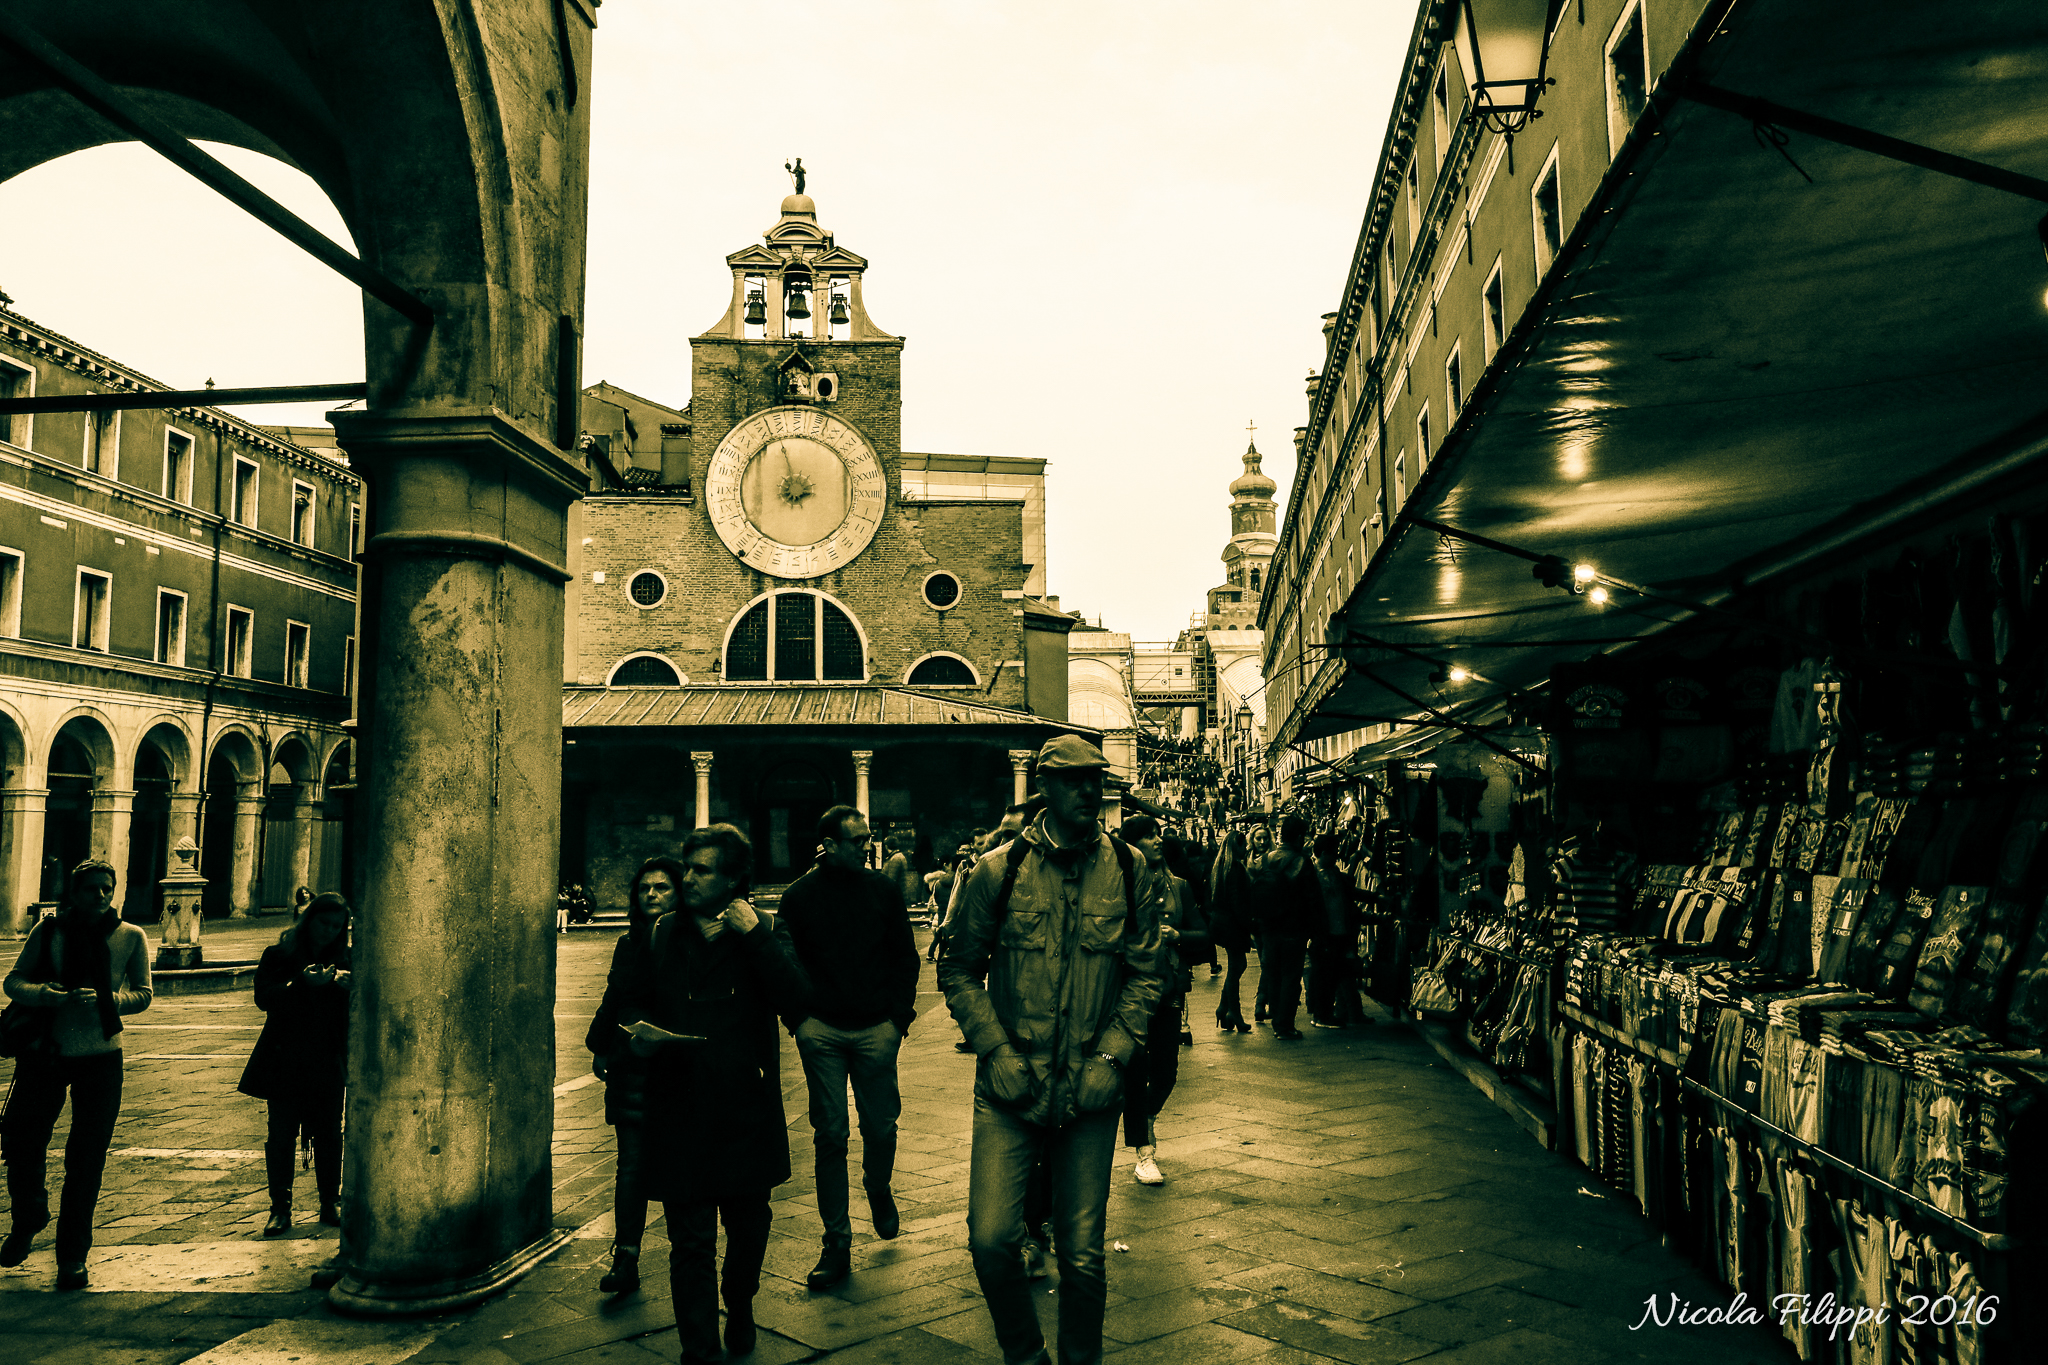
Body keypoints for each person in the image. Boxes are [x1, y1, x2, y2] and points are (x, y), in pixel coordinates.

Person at [939, 735, 1166, 1365]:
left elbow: (1147, 973)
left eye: (1095, 778)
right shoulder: (998, 870)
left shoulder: (1129, 868)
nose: (1088, 790)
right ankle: (1025, 1354)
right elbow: (958, 968)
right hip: (1010, 1086)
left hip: (1091, 1087)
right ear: (1044, 786)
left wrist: (1113, 1057)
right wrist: (995, 1050)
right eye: (1073, 779)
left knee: (1083, 1254)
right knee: (990, 1240)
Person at [608, 825, 809, 1363]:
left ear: (733, 879)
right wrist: (637, 1035)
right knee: (690, 1242)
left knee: (749, 1229)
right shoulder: (660, 933)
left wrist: (756, 936)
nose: (688, 878)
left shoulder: (765, 929)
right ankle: (699, 1350)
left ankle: (739, 1302)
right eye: (688, 867)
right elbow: (627, 1002)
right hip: (679, 1109)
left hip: (746, 1111)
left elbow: (797, 1001)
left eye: (702, 870)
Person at [778, 804, 921, 1291]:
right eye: (858, 840)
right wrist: (799, 1020)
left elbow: (905, 957)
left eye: (867, 838)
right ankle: (836, 1240)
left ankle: (877, 1186)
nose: (867, 846)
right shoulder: (799, 896)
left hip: (877, 1028)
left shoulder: (882, 890)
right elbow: (785, 961)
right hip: (821, 1030)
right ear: (829, 845)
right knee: (830, 1134)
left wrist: (897, 1020)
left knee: (881, 1127)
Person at [1, 859, 153, 1290]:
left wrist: (112, 1001)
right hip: (44, 1053)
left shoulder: (130, 936)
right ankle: (29, 1216)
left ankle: (72, 1255)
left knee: (86, 1158)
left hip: (101, 1057)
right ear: (74, 892)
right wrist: (43, 994)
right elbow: (14, 981)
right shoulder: (49, 931)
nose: (100, 895)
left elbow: (144, 993)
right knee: (22, 1142)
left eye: (107, 888)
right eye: (91, 888)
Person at [583, 856, 683, 1296]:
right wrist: (600, 1044)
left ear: (679, 892)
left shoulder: (691, 940)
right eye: (644, 888)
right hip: (633, 1067)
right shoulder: (629, 943)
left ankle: (686, 1253)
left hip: (677, 1067)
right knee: (631, 1165)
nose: (651, 894)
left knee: (679, 1164)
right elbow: (614, 995)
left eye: (661, 887)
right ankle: (625, 1255)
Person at [238, 891, 352, 1237]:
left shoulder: (347, 959)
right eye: (324, 923)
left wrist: (350, 987)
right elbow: (264, 998)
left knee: (329, 1130)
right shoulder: (279, 955)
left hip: (327, 1056)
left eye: (336, 926)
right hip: (285, 1056)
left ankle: (330, 1201)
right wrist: (300, 983)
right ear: (309, 919)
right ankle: (280, 1207)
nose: (329, 931)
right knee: (281, 1132)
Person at [1118, 817, 1201, 1186]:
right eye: (1148, 836)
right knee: (1136, 1072)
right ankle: (1144, 1151)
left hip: (1168, 990)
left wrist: (1177, 934)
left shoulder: (1178, 886)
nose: (1157, 841)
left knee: (1167, 1072)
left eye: (1157, 834)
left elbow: (1204, 933)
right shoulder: (1118, 885)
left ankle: (1145, 1119)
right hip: (1130, 992)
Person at [1250, 815, 1319, 1039]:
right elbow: (1313, 899)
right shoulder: (1303, 862)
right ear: (1299, 837)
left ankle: (1277, 1021)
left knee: (1273, 975)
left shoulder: (1265, 859)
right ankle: (1284, 1025)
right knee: (1290, 977)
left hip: (1268, 928)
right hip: (1293, 929)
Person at [1207, 831, 1253, 1032]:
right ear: (1238, 847)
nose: (1247, 848)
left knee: (1238, 965)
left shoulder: (1220, 866)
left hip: (1222, 923)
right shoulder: (1236, 869)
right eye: (1244, 845)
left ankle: (1223, 1007)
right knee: (1237, 967)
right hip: (1233, 925)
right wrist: (1249, 925)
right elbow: (1238, 902)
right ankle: (1234, 1012)